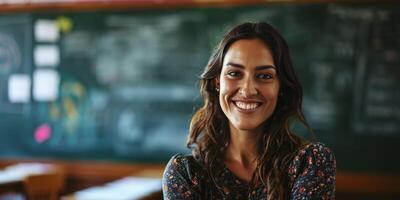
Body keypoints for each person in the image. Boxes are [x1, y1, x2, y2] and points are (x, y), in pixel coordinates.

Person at [162, 22, 336, 200]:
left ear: (281, 87)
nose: (247, 90)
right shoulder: (185, 173)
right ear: (217, 82)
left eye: (264, 76)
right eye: (234, 73)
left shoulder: (310, 162)